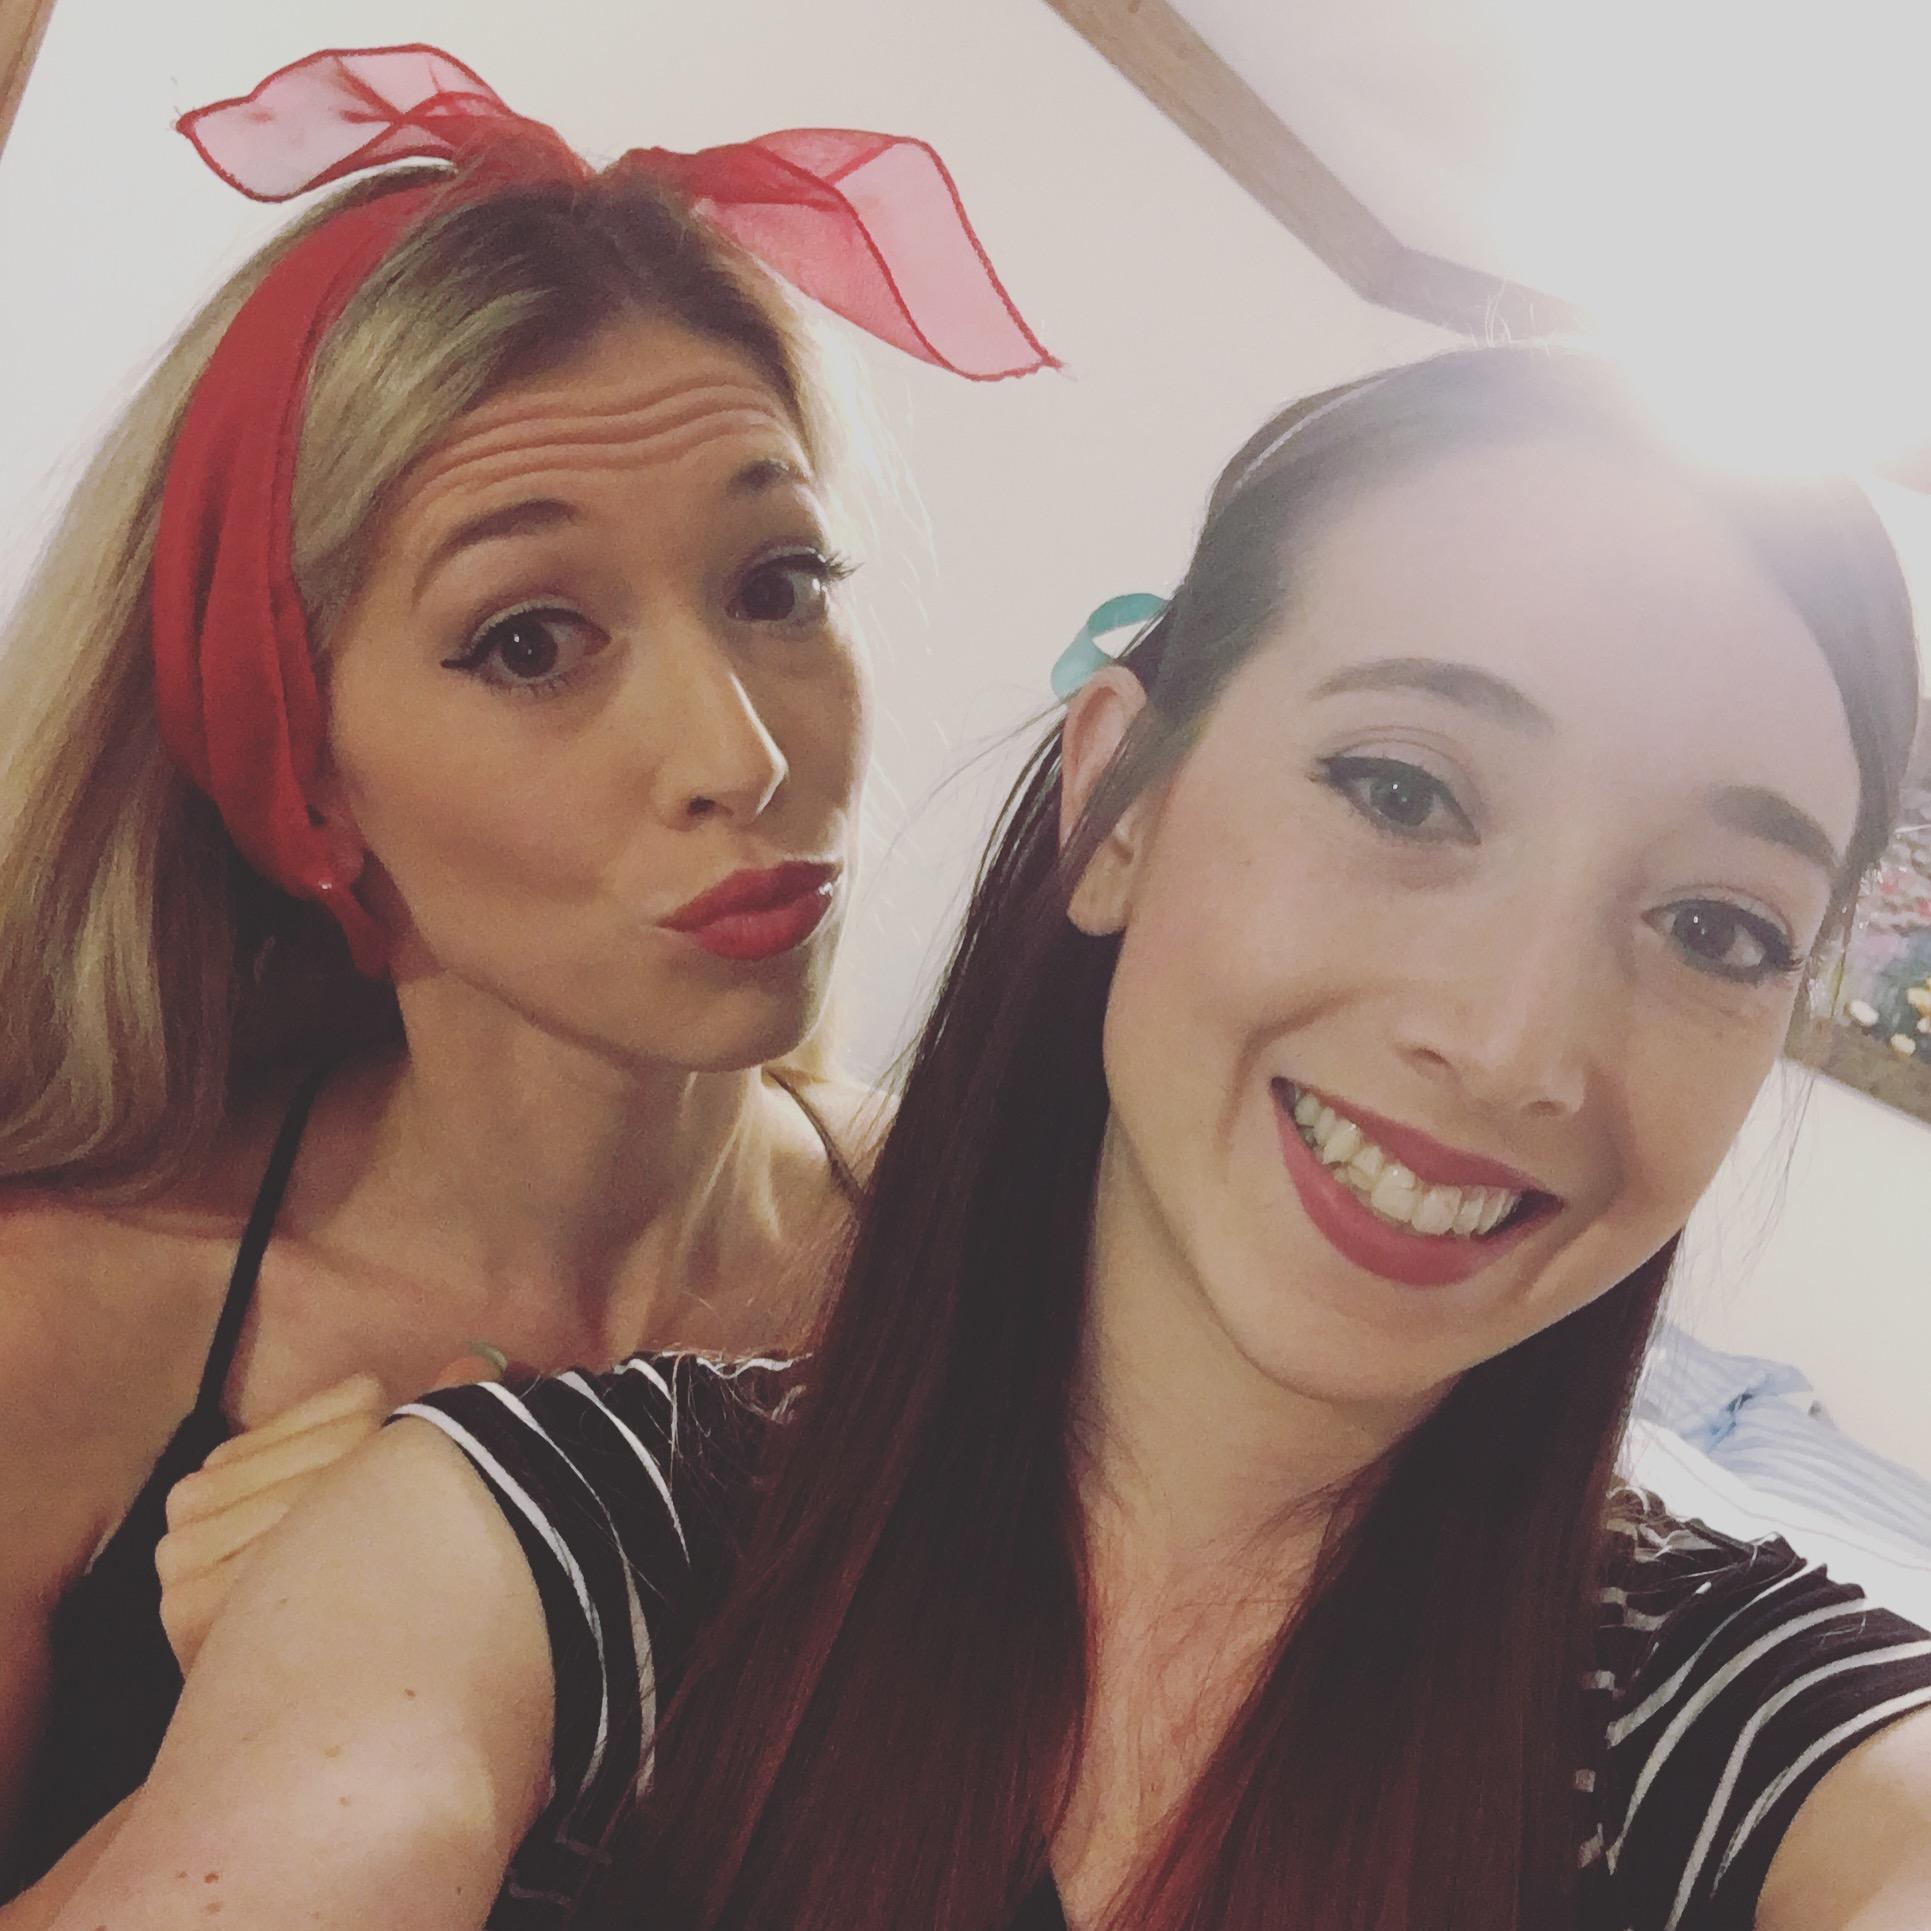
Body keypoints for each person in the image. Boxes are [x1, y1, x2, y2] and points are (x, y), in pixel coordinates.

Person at [38, 346, 1931, 1931]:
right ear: (1117, 802)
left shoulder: (1742, 1723)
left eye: (1717, 928)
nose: (1518, 1049)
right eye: (1400, 789)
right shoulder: (549, 1536)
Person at [0, 44, 1054, 1908]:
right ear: (300, 771)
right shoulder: (65, 1328)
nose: (737, 750)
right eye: (531, 641)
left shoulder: (1011, 1274)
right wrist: (280, 1740)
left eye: (778, 585)